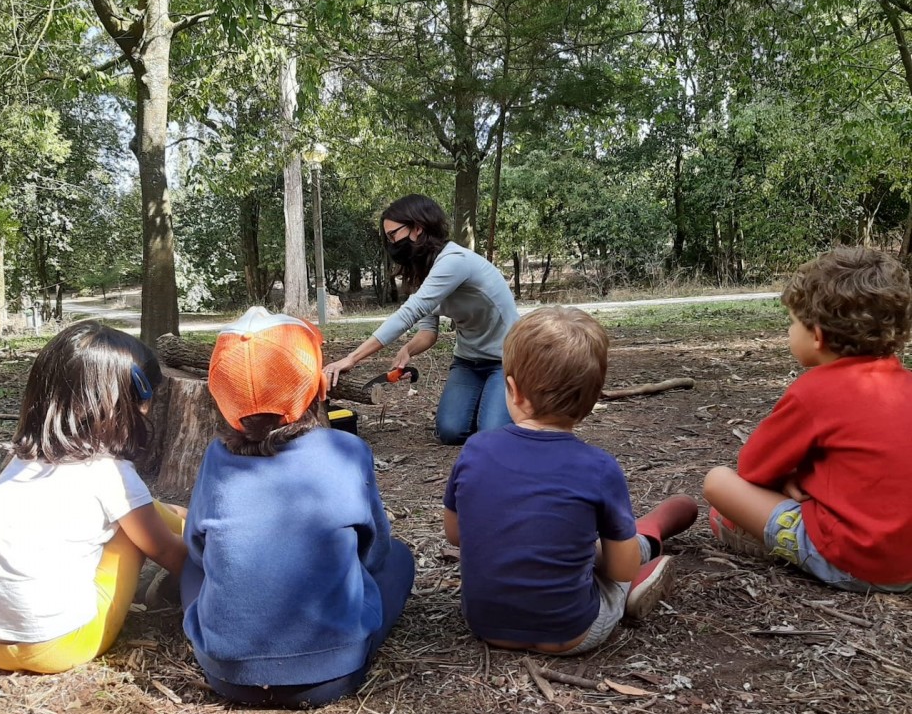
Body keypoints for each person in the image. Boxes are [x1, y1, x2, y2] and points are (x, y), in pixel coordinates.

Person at [181, 307, 415, 708]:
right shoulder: (348, 451)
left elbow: (198, 551)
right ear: (316, 386)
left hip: (227, 673)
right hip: (333, 672)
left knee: (189, 567)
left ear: (222, 397)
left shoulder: (216, 458)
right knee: (402, 559)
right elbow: (375, 551)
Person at [443, 307, 698, 654]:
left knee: (573, 546)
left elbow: (456, 534)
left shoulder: (475, 450)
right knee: (618, 558)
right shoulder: (598, 467)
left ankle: (643, 536)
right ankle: (647, 557)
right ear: (592, 402)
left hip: (488, 626)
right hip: (573, 632)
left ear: (513, 390)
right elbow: (620, 569)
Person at [0, 322, 187, 674]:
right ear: (133, 404)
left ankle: (186, 519)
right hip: (60, 644)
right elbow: (169, 555)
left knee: (137, 512)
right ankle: (191, 530)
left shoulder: (20, 459)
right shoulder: (109, 474)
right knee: (132, 530)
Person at [703, 246, 912, 592]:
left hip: (854, 561)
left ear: (817, 336)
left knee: (718, 484)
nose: (789, 331)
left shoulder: (813, 392)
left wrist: (790, 477)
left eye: (792, 321)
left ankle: (774, 544)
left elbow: (752, 470)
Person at [322, 194, 519, 445]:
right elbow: (428, 331)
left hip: (506, 359)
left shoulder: (454, 261)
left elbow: (409, 313)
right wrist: (408, 349)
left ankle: (513, 397)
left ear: (417, 228)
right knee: (450, 432)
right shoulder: (424, 272)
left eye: (393, 235)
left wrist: (351, 358)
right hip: (468, 361)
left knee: (493, 436)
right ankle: (490, 399)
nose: (391, 243)